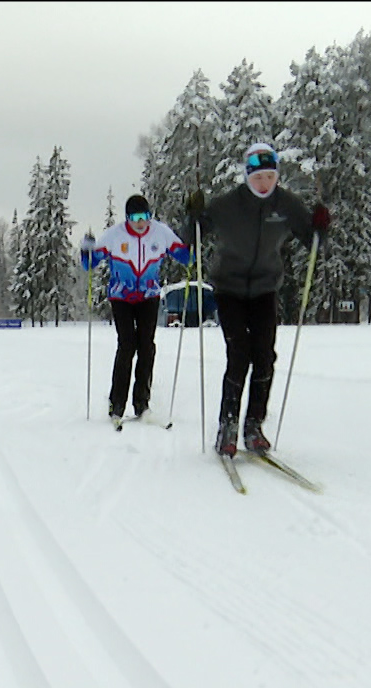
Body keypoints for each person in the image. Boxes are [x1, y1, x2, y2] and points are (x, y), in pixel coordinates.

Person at [183, 143, 330, 456]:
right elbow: (192, 235)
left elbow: (313, 240)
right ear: (247, 176)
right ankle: (228, 425)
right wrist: (193, 216)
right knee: (239, 354)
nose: (264, 183)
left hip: (264, 288)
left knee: (264, 356)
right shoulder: (228, 204)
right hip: (229, 288)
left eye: (270, 176)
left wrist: (320, 226)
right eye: (258, 177)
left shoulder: (286, 204)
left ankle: (254, 425)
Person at [81, 194, 191, 426]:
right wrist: (86, 251)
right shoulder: (115, 235)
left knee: (147, 346)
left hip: (149, 296)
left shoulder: (160, 233)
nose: (140, 222)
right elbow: (90, 263)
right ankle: (117, 404)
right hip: (121, 296)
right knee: (127, 345)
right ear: (127, 218)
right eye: (135, 218)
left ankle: (142, 403)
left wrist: (191, 237)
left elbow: (184, 256)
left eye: (144, 217)